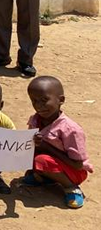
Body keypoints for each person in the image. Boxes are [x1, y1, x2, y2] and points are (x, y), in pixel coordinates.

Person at [23, 76, 92, 208]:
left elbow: (77, 165)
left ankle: (71, 188)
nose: (38, 106)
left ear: (61, 100)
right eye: (34, 101)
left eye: (44, 100)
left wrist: (47, 147)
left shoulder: (70, 130)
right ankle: (44, 177)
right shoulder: (35, 120)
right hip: (51, 164)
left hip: (74, 172)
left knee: (42, 161)